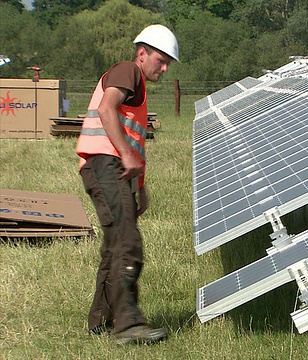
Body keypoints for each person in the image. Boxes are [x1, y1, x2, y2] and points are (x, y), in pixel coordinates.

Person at [75, 24, 179, 345]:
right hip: (104, 161)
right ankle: (128, 324)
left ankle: (101, 322)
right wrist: (125, 156)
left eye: (168, 64)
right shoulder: (128, 72)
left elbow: (134, 143)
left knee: (114, 246)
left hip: (112, 165)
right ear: (142, 54)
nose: (163, 68)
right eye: (160, 61)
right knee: (127, 241)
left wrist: (141, 187)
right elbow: (107, 110)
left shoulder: (140, 90)